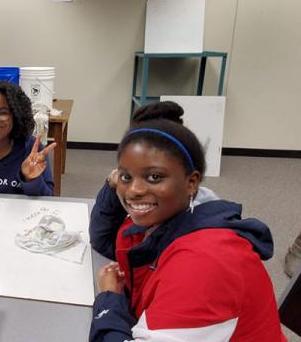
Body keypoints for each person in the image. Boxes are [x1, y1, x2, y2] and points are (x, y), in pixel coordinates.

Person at [88, 101, 286, 341]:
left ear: (192, 182)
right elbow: (106, 242)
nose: (134, 190)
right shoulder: (158, 218)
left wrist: (109, 299)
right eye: (126, 175)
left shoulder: (206, 260)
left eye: (154, 176)